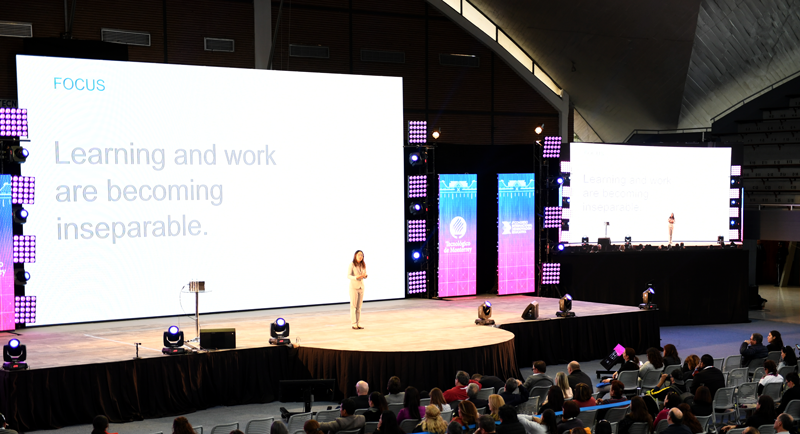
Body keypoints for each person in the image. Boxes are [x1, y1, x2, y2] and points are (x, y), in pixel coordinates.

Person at [347, 250, 367, 330]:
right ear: (355, 255)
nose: (360, 256)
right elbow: (348, 275)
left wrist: (365, 276)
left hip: (361, 287)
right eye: (359, 255)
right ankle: (354, 324)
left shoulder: (363, 265)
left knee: (359, 307)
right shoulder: (352, 264)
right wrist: (356, 277)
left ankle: (358, 323)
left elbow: (364, 274)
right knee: (353, 306)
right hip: (354, 287)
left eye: (362, 255)